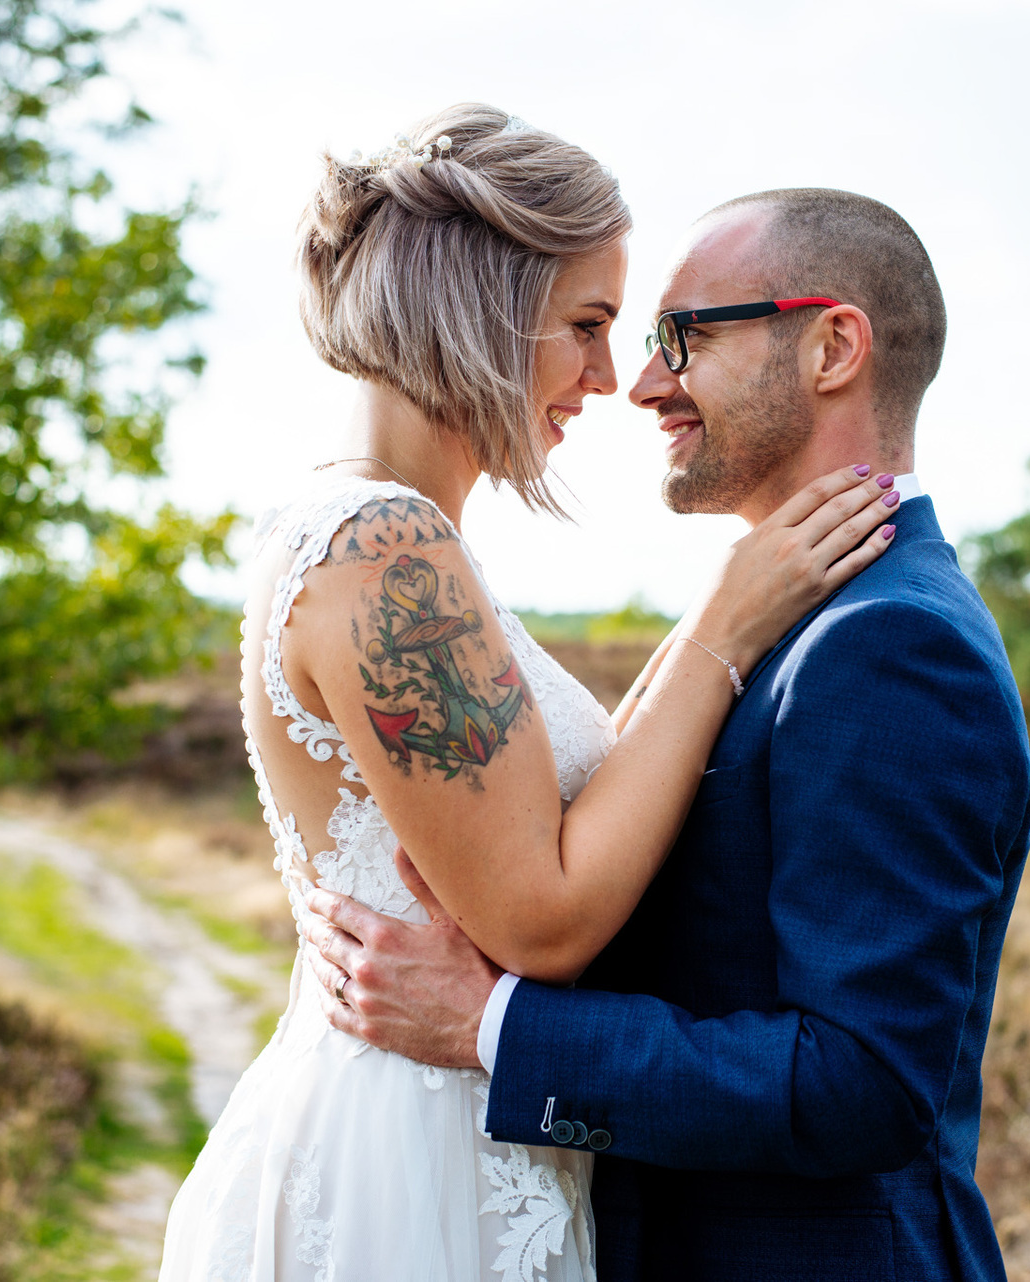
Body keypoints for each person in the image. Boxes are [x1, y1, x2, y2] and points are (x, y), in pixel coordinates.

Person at [156, 105, 900, 1282]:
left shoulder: (387, 536)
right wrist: (723, 621)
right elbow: (542, 919)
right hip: (412, 1173)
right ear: (480, 314)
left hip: (456, 1130)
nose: (609, 379)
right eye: (588, 326)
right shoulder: (385, 548)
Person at [302, 186, 1030, 1281]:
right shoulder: (785, 616)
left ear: (833, 346)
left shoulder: (889, 646)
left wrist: (492, 1026)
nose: (642, 384)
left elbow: (864, 1084)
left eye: (682, 339)